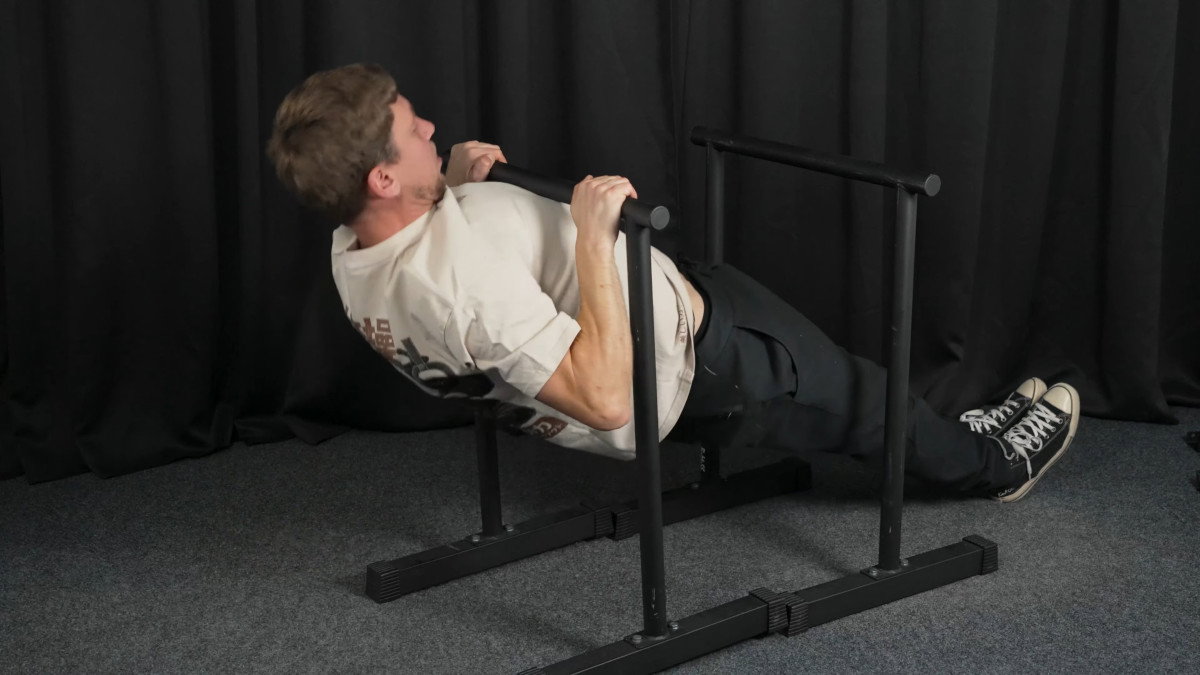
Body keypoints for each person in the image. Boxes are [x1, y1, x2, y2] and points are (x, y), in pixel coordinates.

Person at [266, 63, 1079, 503]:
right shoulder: (460, 286)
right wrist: (591, 238)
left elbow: (450, 282)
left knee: (854, 388)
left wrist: (452, 182)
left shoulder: (356, 250)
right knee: (864, 398)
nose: (432, 127)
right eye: (414, 133)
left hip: (677, 312)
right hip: (699, 364)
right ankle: (990, 462)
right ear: (379, 177)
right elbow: (607, 397)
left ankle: (957, 435)